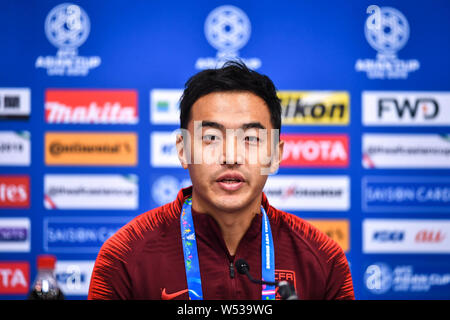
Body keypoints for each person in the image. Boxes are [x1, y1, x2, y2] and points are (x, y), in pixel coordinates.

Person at [88, 61, 354, 300]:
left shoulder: (322, 258)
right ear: (183, 150)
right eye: (211, 138)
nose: (231, 157)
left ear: (275, 155)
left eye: (251, 138)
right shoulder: (124, 255)